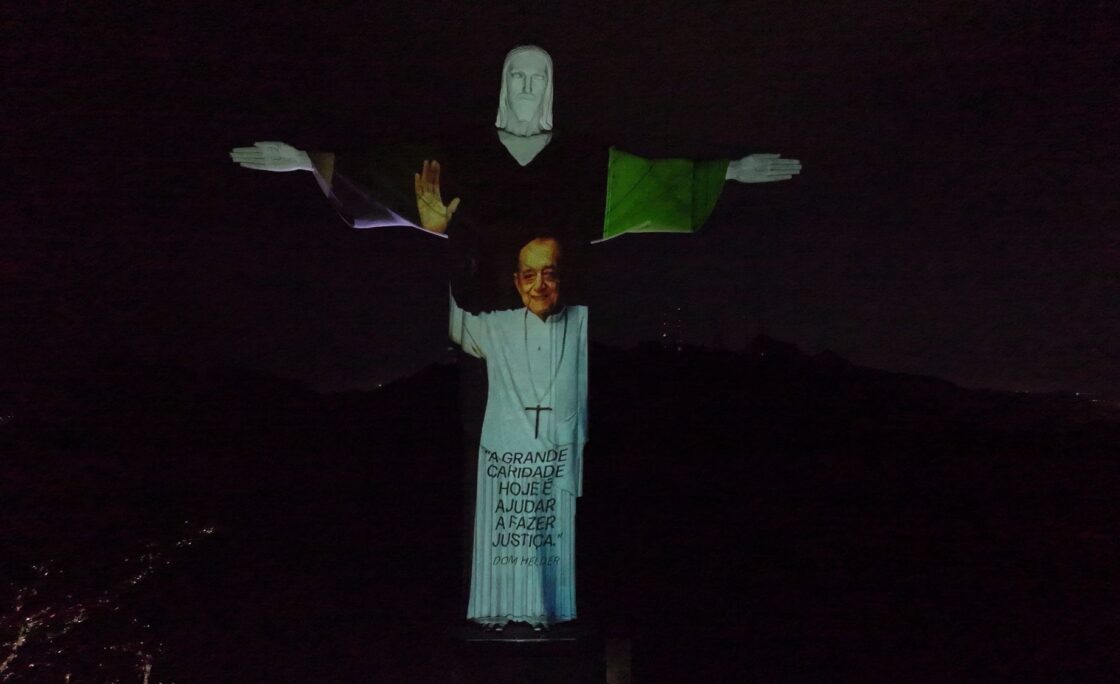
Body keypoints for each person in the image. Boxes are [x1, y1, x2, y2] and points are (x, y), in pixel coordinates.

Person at [230, 44, 802, 629]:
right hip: (485, 334)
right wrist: (307, 161)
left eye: (538, 76)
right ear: (503, 85)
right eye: (518, 75)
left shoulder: (582, 160)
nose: (528, 85)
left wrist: (726, 172)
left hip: (557, 337)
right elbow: (384, 178)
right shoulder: (462, 154)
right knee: (489, 469)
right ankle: (497, 607)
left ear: (551, 87)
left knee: (554, 467)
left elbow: (653, 181)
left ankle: (548, 610)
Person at [449, 236, 585, 629]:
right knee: (508, 556)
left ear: (563, 277)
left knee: (552, 558)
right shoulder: (497, 328)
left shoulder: (584, 322)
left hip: (557, 462)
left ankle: (550, 614)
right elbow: (450, 318)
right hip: (507, 465)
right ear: (516, 280)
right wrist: (437, 238)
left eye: (549, 274)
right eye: (529, 275)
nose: (538, 285)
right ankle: (502, 613)